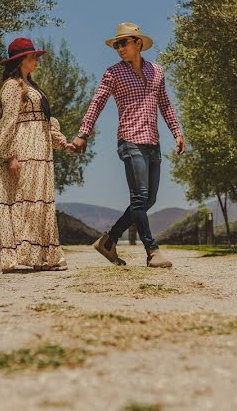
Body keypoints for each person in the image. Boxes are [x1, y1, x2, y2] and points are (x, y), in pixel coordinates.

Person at [71, 22, 186, 268]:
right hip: (130, 140)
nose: (119, 48)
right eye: (116, 45)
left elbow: (165, 103)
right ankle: (152, 252)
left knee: (148, 200)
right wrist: (84, 132)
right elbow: (97, 103)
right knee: (140, 196)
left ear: (138, 43)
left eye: (124, 43)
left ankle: (109, 240)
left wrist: (177, 132)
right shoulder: (113, 73)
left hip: (153, 142)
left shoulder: (157, 71)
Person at [0, 37, 74, 272]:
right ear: (21, 59)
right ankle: (14, 257)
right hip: (24, 151)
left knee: (37, 202)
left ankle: (40, 257)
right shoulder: (13, 86)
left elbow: (44, 121)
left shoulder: (33, 87)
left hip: (41, 152)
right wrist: (9, 155)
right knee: (20, 201)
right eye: (32, 56)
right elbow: (8, 122)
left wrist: (61, 142)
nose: (36, 60)